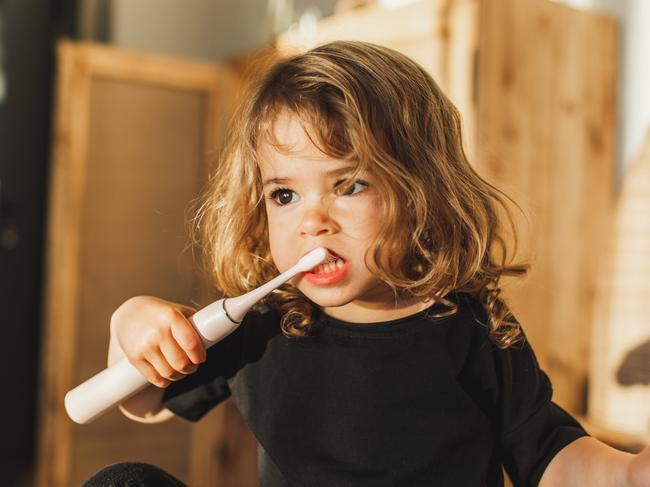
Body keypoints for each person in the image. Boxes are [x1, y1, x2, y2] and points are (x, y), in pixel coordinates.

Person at [84, 41, 650, 487]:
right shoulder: (261, 324)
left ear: (421, 193)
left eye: (349, 185)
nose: (313, 221)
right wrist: (130, 325)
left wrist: (629, 474)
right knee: (123, 483)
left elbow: (550, 455)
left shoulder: (469, 329)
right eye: (285, 195)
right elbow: (146, 399)